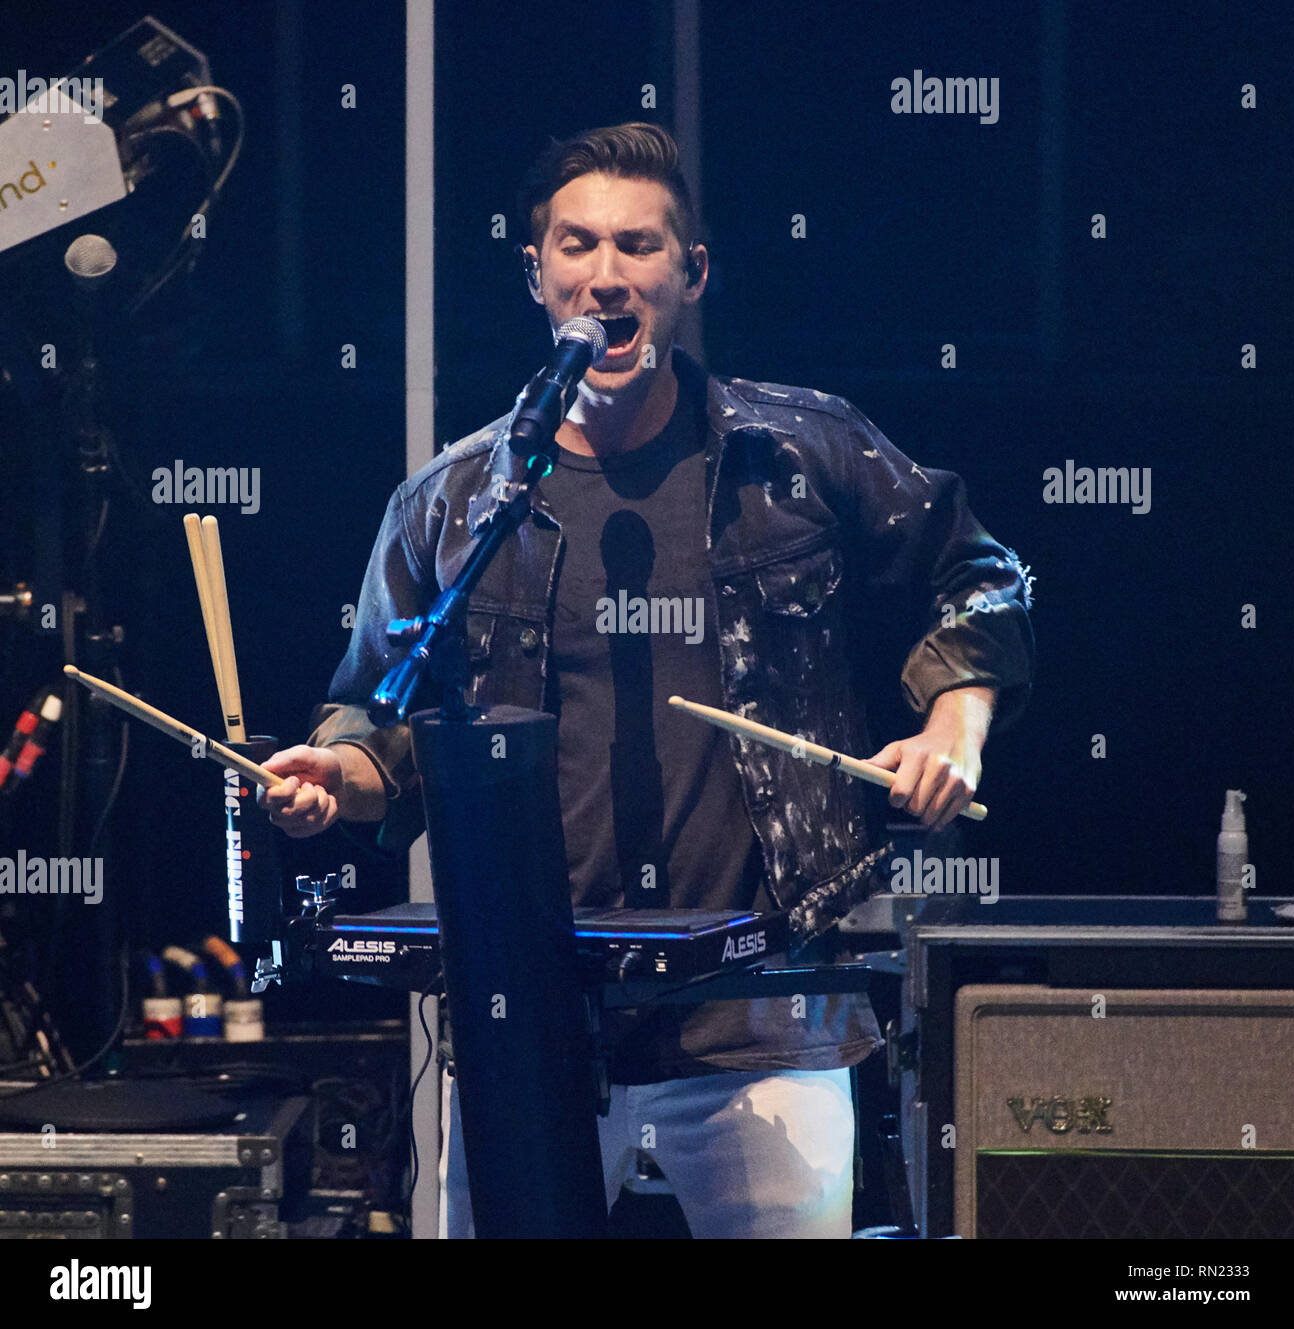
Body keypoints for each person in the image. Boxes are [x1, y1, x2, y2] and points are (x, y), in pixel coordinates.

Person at [259, 122, 1034, 1238]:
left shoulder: (801, 452)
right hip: (525, 1024)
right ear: (536, 275)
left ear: (689, 275)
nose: (606, 275)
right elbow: (380, 729)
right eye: (577, 245)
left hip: (760, 1017)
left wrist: (955, 720)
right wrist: (333, 779)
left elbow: (980, 573)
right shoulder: (451, 501)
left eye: (637, 245)